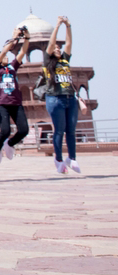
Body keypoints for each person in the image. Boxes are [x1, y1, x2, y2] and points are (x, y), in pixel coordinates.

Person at [44, 16, 86, 174]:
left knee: (71, 130)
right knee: (59, 130)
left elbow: (69, 43)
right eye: (55, 48)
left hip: (70, 99)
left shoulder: (65, 60)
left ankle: (72, 158)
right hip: (55, 98)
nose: (58, 49)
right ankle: (59, 160)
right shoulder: (48, 62)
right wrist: (56, 26)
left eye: (58, 48)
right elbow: (50, 44)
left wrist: (68, 26)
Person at [0, 28, 31, 164]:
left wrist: (27, 39)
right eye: (3, 56)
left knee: (24, 130)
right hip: (1, 103)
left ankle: (10, 144)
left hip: (16, 102)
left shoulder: (12, 67)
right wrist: (13, 39)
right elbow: (5, 51)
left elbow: (23, 52)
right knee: (5, 130)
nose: (6, 57)